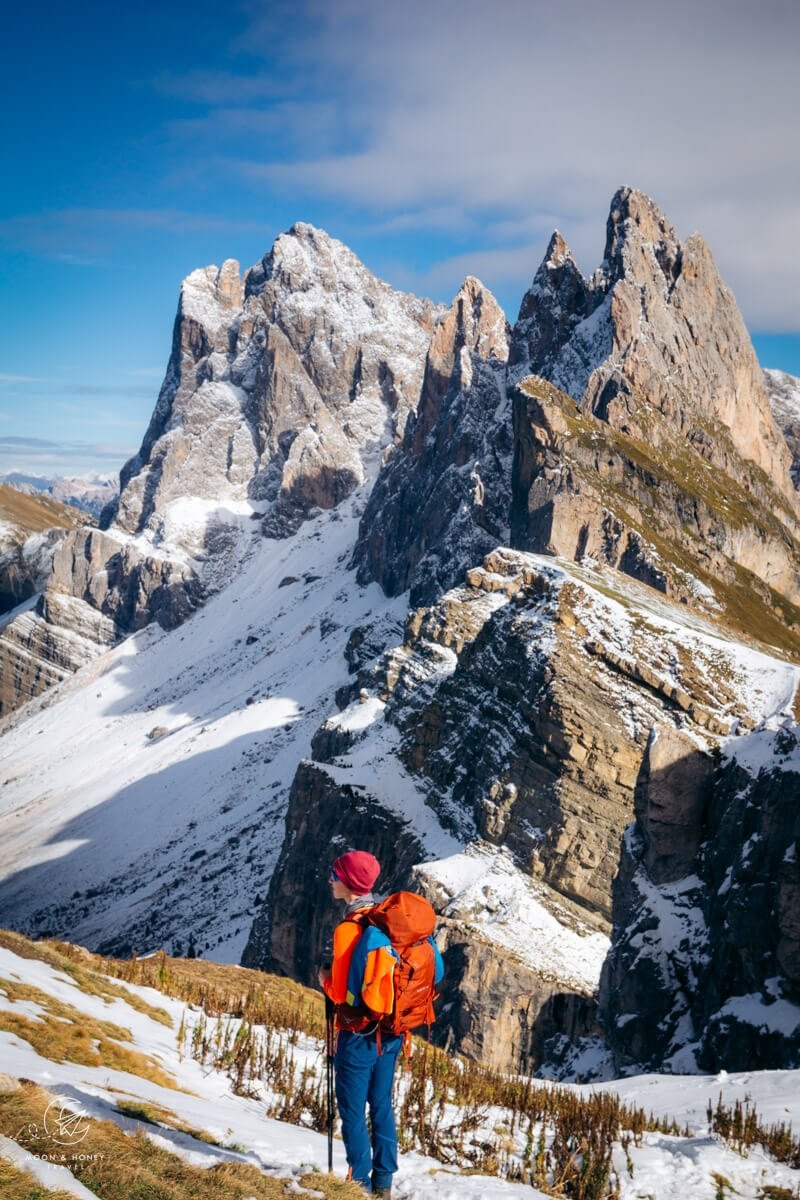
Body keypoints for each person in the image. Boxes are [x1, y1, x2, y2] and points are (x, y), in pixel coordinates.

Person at [317, 849, 400, 1199]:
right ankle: (383, 1183)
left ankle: (359, 1184)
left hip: (358, 1034)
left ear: (349, 884)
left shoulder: (348, 930)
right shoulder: (387, 920)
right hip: (391, 1031)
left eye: (335, 875)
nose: (330, 880)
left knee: (351, 1109)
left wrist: (323, 978)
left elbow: (340, 993)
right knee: (380, 1103)